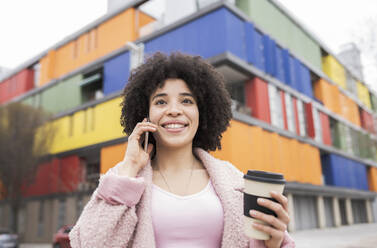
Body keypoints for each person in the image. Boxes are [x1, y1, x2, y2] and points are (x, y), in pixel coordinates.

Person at [69, 52, 295, 248]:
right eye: (160, 102)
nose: (174, 110)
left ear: (202, 112)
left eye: (186, 101)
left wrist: (272, 244)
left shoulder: (235, 182)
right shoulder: (123, 180)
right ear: (144, 114)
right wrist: (129, 168)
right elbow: (88, 242)